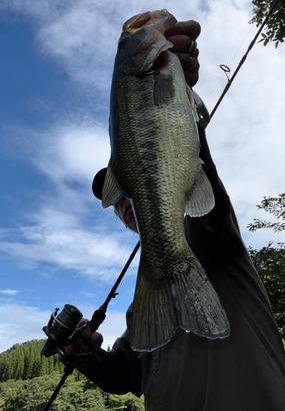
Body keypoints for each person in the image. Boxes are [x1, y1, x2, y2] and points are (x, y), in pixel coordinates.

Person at [63, 20, 285, 410]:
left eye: (136, 184)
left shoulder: (208, 236)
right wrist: (86, 357)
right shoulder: (146, 297)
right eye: (119, 199)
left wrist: (177, 100)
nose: (127, 201)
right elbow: (129, 376)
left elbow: (209, 196)